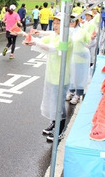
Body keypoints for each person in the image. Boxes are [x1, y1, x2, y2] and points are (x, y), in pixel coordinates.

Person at [27, 13, 72, 142]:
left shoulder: (67, 38)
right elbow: (41, 42)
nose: (56, 25)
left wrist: (35, 42)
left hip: (61, 76)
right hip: (51, 74)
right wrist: (29, 39)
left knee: (59, 104)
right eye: (55, 23)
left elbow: (52, 49)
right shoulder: (55, 35)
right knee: (52, 102)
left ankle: (60, 130)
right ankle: (54, 123)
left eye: (59, 23)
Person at [67, 13, 93, 105]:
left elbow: (90, 42)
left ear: (77, 21)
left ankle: (78, 95)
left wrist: (85, 47)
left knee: (79, 77)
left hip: (81, 59)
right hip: (71, 58)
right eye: (70, 20)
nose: (71, 22)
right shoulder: (67, 31)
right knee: (71, 76)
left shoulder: (82, 31)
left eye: (73, 20)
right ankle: (71, 91)